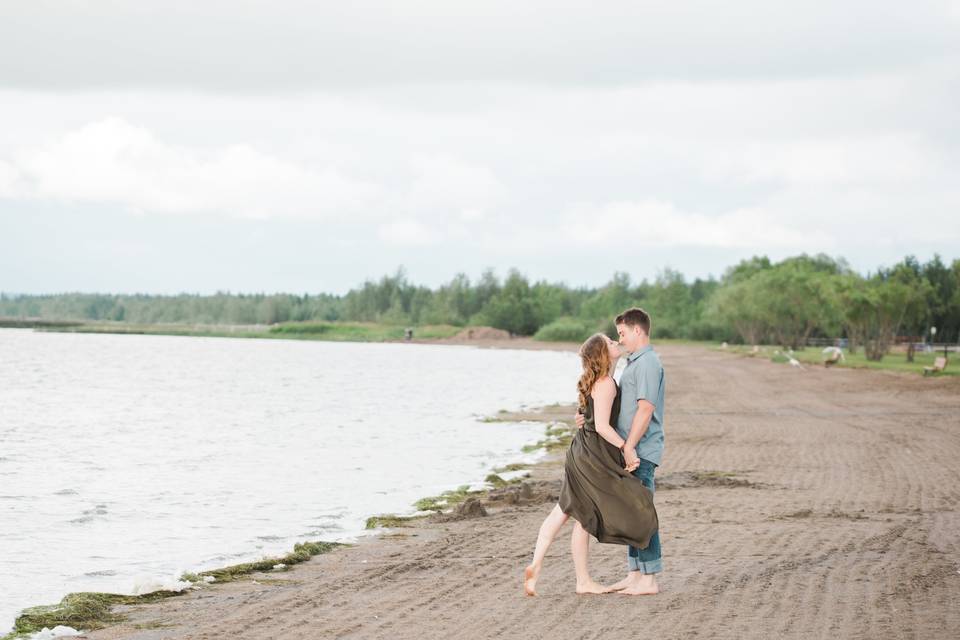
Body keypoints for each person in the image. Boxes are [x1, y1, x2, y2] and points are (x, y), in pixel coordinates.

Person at [523, 332, 658, 596]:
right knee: (583, 516)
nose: (614, 342)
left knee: (565, 511)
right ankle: (583, 581)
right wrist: (626, 449)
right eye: (609, 342)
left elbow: (590, 416)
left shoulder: (597, 379)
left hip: (581, 450)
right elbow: (605, 428)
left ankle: (536, 565)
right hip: (592, 456)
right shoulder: (606, 383)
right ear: (602, 355)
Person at [577, 307, 665, 595]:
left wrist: (628, 447)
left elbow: (645, 408)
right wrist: (586, 418)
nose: (621, 339)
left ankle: (649, 579)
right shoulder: (634, 363)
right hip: (628, 451)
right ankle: (635, 573)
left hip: (639, 450)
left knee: (642, 513)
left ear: (637, 331)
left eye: (623, 333)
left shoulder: (648, 363)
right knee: (631, 513)